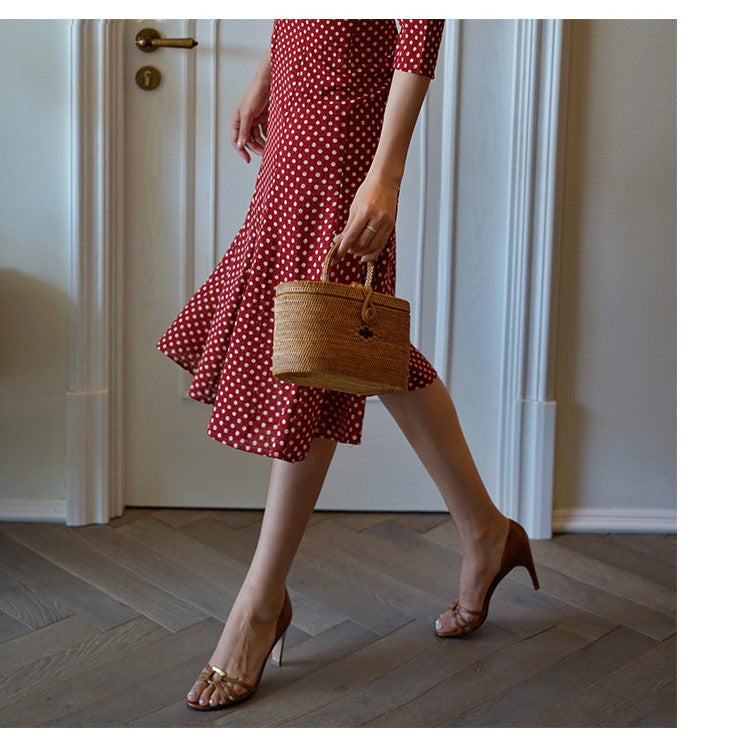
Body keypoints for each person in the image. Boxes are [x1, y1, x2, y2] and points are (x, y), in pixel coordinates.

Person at [155, 19, 539, 712]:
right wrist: (269, 73)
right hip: (302, 90)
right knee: (341, 336)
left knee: (323, 340)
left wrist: (386, 173)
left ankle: (260, 600)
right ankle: (485, 530)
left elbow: (420, 21)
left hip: (344, 117)